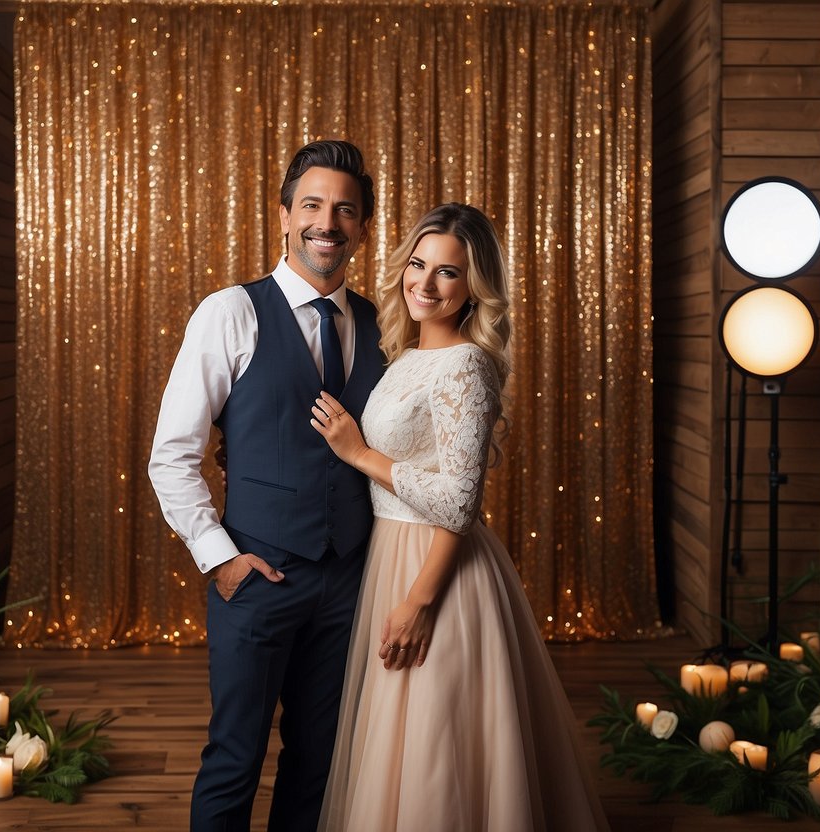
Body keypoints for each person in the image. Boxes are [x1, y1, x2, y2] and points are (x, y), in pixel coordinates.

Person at [311, 203, 610, 831]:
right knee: (399, 741)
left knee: (436, 745)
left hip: (436, 569)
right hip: (393, 554)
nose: (424, 283)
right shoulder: (405, 358)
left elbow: (460, 502)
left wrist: (360, 455)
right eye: (418, 264)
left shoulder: (466, 366)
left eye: (447, 273)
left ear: (474, 287)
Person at [148, 140, 386, 832]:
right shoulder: (229, 312)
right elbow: (172, 454)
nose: (327, 222)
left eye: (345, 210)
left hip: (348, 581)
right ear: (283, 216)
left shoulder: (380, 323)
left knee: (319, 760)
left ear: (363, 227)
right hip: (257, 573)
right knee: (235, 756)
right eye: (311, 205)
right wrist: (219, 558)